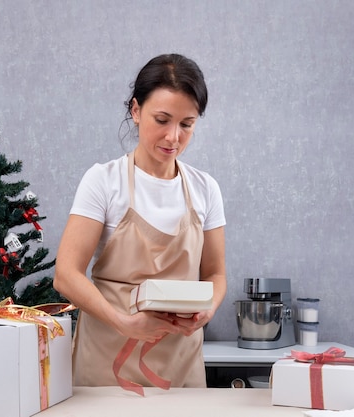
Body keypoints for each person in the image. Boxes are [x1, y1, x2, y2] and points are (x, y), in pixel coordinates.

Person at [53, 53, 226, 389]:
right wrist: (124, 323)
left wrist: (209, 310)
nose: (173, 137)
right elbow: (66, 274)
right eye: (162, 120)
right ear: (135, 110)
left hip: (180, 364)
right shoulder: (103, 181)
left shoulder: (206, 189)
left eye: (186, 124)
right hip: (106, 358)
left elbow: (215, 273)